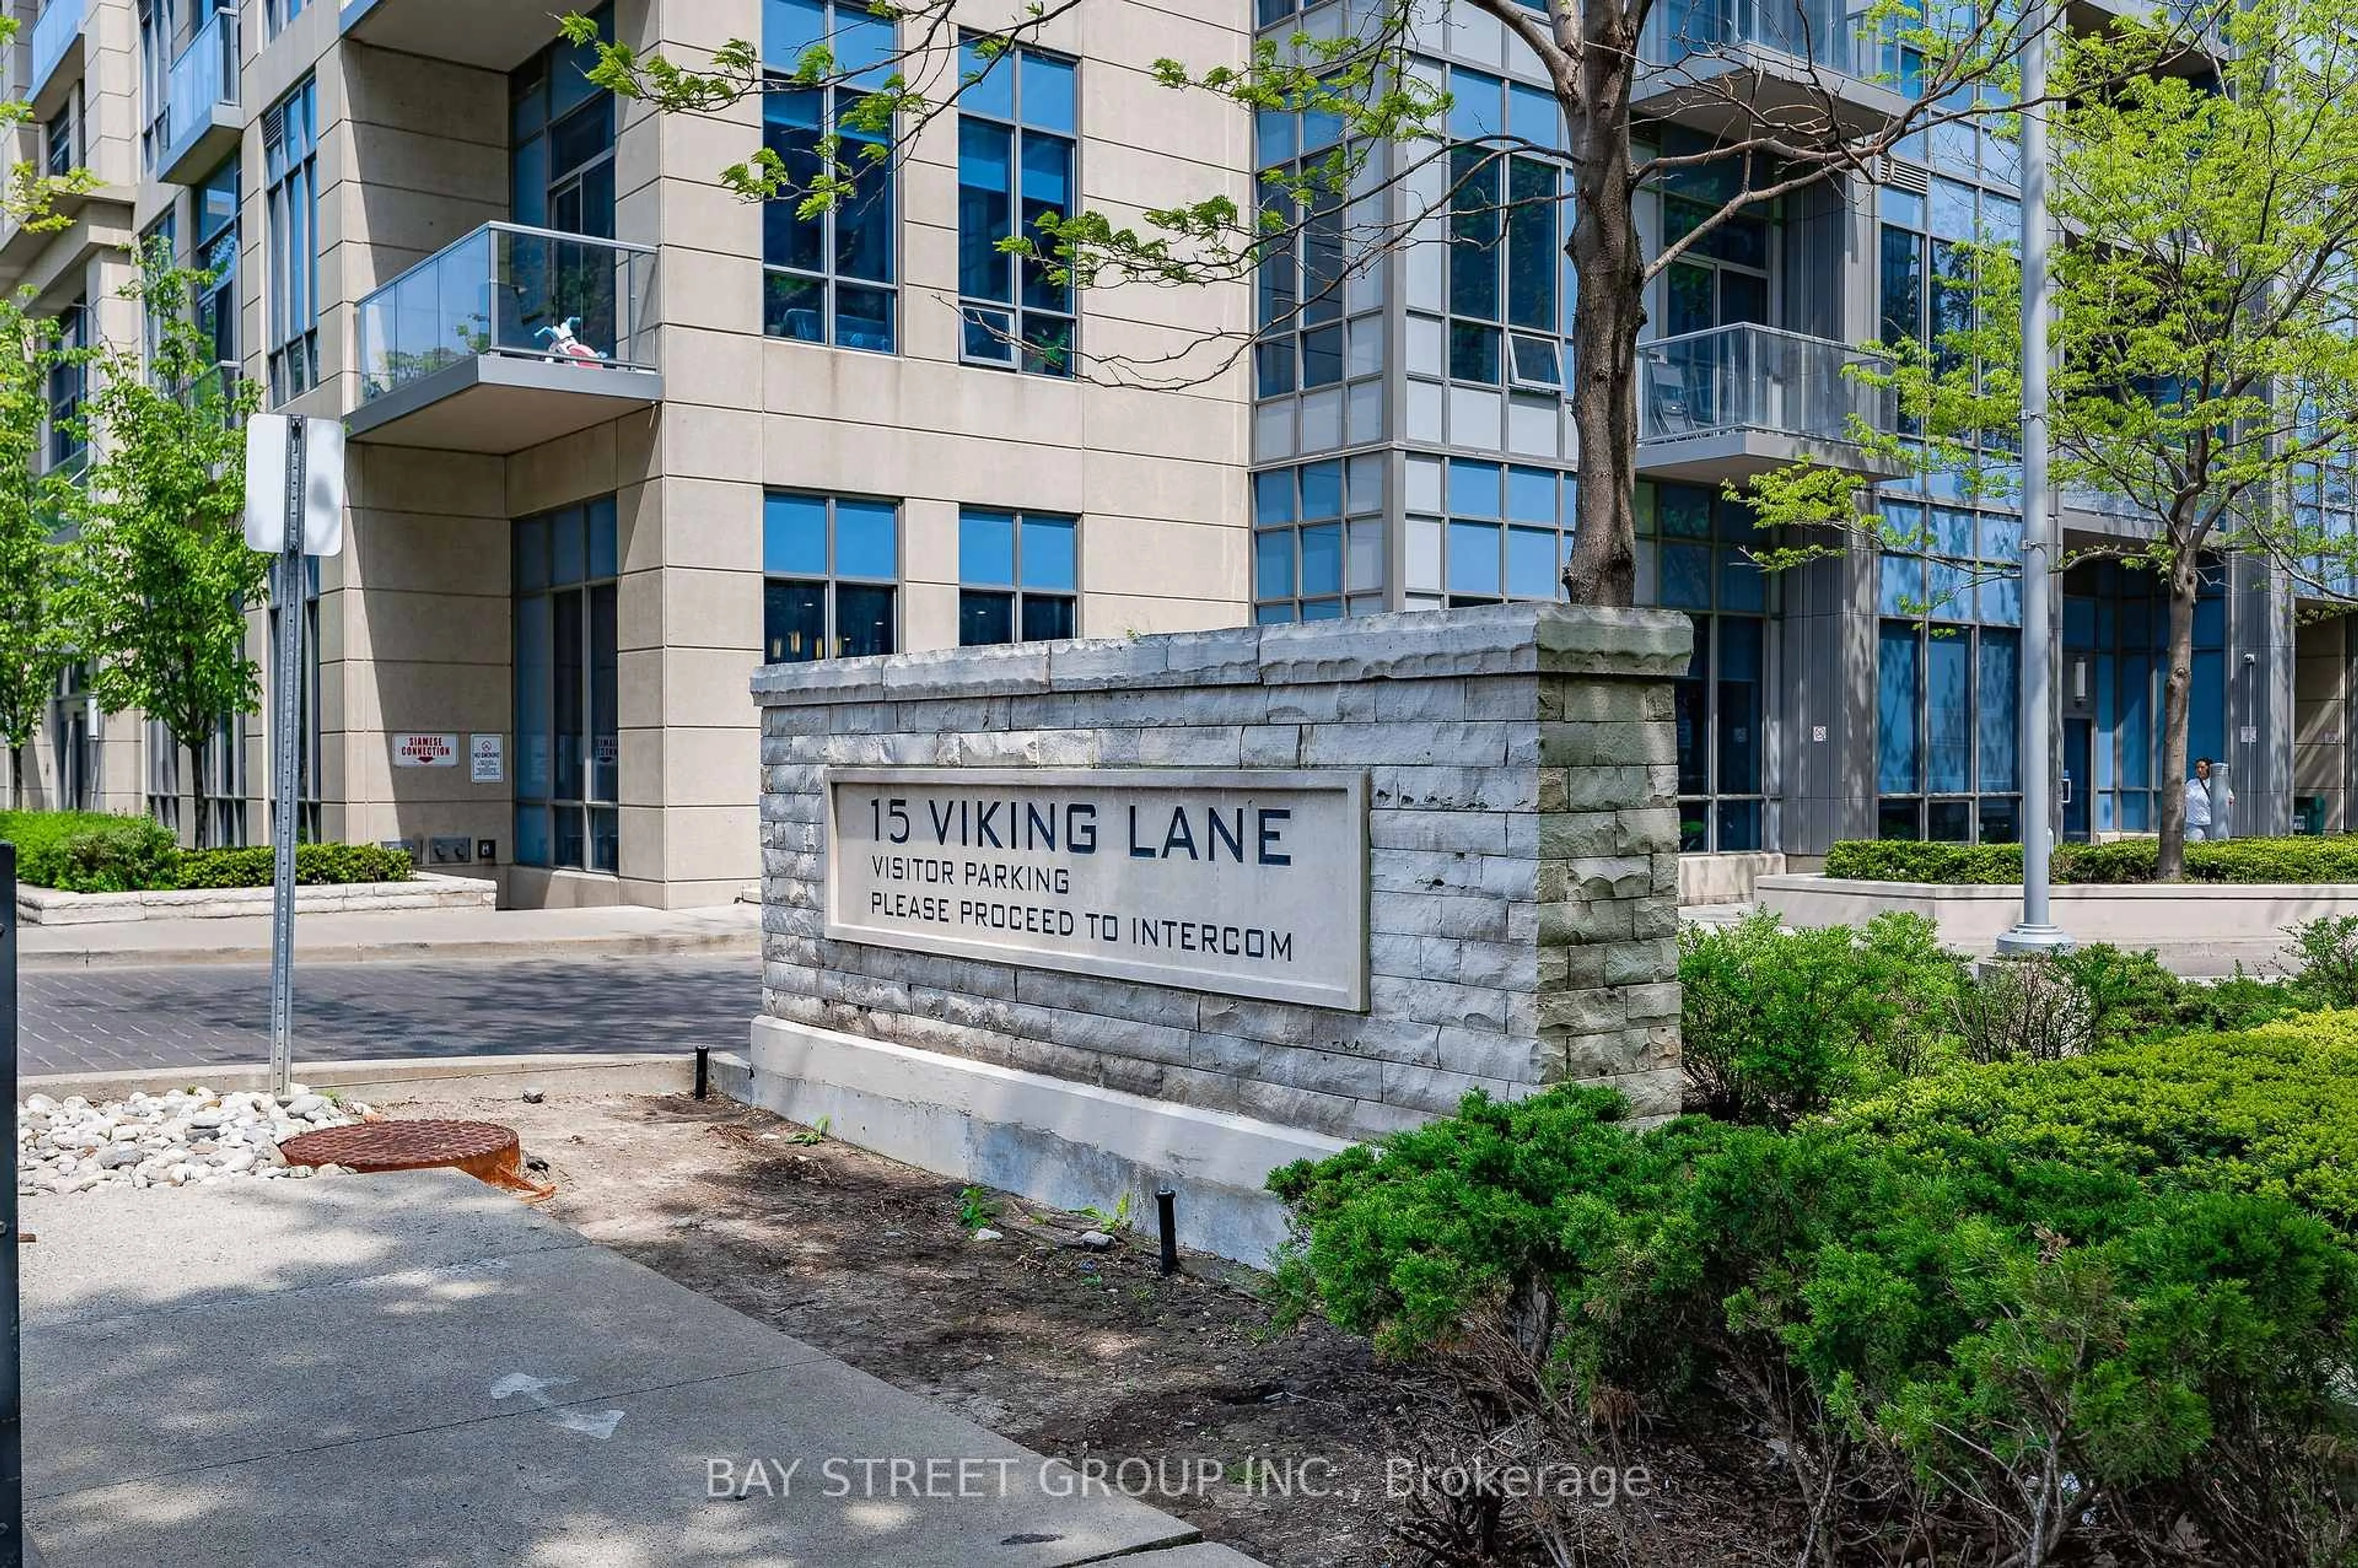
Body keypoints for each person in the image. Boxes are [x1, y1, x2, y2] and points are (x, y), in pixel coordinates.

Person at [2187, 756, 2233, 841]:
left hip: (2211, 823)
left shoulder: (2216, 782)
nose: (2199, 770)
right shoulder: (2191, 784)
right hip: (2194, 823)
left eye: (2202, 767)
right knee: (2194, 844)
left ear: (2209, 768)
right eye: (2197, 768)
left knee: (2214, 844)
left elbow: (2230, 799)